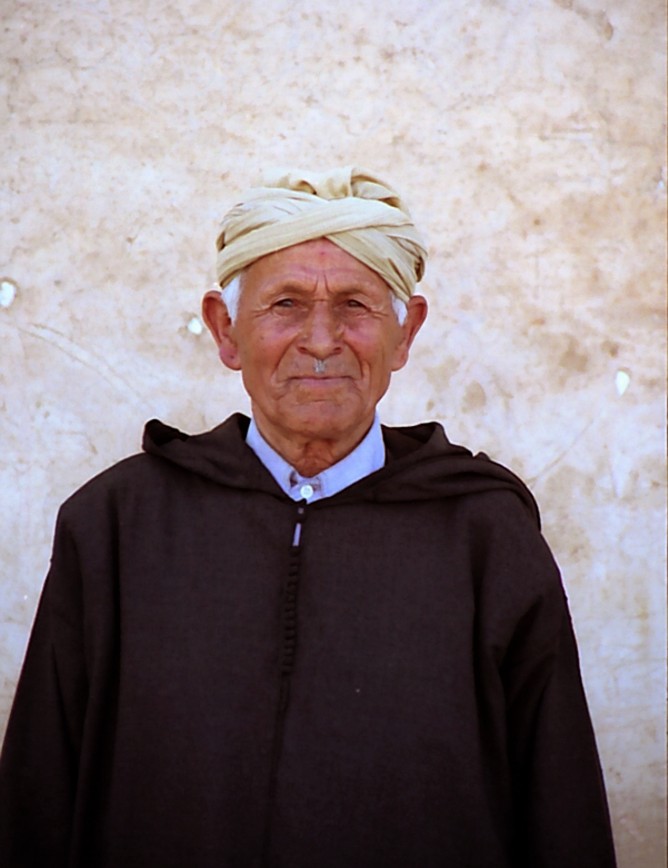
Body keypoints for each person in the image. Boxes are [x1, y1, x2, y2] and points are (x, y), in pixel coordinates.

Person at [0, 166, 616, 867]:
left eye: (355, 305)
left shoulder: (487, 539)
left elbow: (559, 803)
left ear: (405, 333)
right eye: (285, 305)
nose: (321, 340)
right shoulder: (114, 527)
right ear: (224, 330)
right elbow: (38, 800)